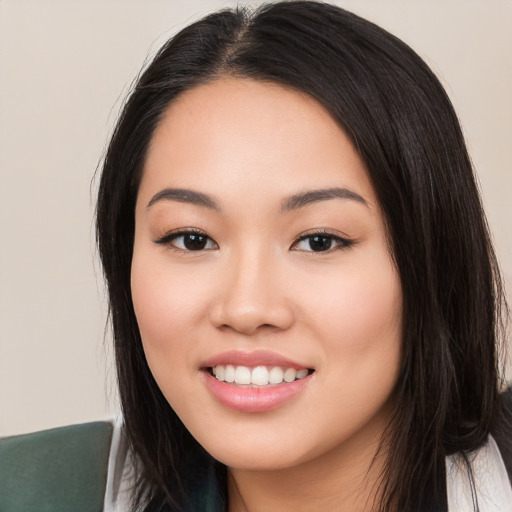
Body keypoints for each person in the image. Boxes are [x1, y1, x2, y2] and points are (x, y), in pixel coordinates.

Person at [95, 2, 512, 511]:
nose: (246, 309)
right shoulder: (33, 489)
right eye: (192, 239)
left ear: (433, 258)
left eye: (319, 240)